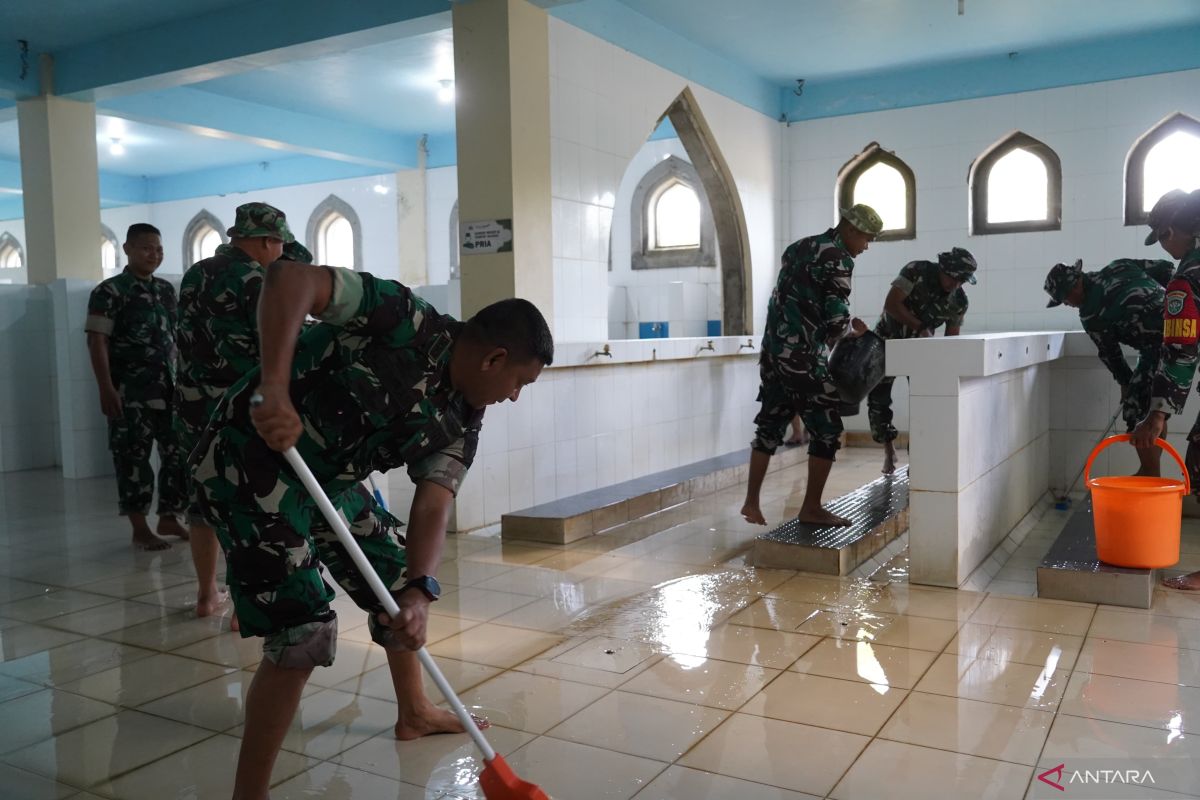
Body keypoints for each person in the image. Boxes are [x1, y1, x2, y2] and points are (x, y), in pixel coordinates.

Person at [191, 258, 553, 799]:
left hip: (328, 480)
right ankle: (251, 794)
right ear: (495, 358)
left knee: (395, 580)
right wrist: (274, 386)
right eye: (519, 382)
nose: (515, 396)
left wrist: (419, 589)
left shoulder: (464, 414)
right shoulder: (402, 317)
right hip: (250, 462)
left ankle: (415, 712)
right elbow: (289, 278)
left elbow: (435, 503)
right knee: (303, 632)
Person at [176, 203, 300, 625]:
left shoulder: (194, 274)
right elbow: (281, 345)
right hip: (242, 409)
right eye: (280, 245)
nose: (281, 253)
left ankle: (207, 594)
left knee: (202, 501)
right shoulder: (259, 279)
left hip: (193, 407)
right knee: (247, 503)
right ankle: (243, 608)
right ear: (267, 240)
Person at [741, 203, 883, 527]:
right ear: (851, 229)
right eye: (866, 239)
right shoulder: (838, 258)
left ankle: (751, 502)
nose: (866, 247)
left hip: (774, 352)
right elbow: (835, 318)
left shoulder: (799, 247)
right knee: (828, 429)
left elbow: (793, 297)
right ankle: (811, 508)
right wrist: (853, 332)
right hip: (803, 358)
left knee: (769, 425)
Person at [85, 223, 189, 550]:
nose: (154, 254)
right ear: (128, 249)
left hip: (169, 391)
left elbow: (177, 341)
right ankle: (139, 527)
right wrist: (106, 388)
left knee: (178, 456)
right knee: (133, 460)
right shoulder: (110, 291)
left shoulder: (165, 290)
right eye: (146, 248)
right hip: (130, 394)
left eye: (158, 249)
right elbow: (97, 340)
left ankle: (170, 515)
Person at [1045, 256, 1174, 476]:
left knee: (1136, 407)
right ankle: (1149, 470)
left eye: (1065, 298)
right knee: (1149, 406)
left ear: (1076, 285)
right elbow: (1166, 268)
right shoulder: (1120, 265)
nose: (1067, 304)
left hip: (1161, 348)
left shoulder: (1091, 314)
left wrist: (1126, 383)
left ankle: (1151, 477)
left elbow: (1111, 354)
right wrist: (1177, 305)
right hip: (1180, 333)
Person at [1132, 188, 1200, 590]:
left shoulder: (1186, 280)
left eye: (1161, 236)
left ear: (1172, 229)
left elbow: (1180, 350)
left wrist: (1156, 414)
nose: (1164, 246)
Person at [869, 247, 976, 474]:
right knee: (878, 402)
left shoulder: (959, 300)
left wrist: (946, 367)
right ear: (942, 269)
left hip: (920, 352)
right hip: (886, 343)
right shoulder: (916, 271)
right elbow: (891, 303)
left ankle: (916, 459)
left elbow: (951, 338)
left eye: (961, 281)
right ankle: (888, 450)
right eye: (953, 279)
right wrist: (920, 327)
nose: (955, 285)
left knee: (923, 402)